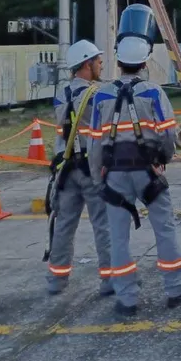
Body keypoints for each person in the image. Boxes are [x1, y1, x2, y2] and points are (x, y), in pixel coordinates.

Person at [89, 4, 181, 316]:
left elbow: (95, 142)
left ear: (118, 58)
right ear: (146, 57)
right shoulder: (154, 94)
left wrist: (98, 179)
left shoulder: (101, 96)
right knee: (165, 229)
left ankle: (127, 299)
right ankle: (175, 290)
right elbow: (168, 136)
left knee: (118, 238)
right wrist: (164, 161)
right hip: (149, 172)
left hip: (115, 175)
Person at [44, 39, 112, 296]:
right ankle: (109, 280)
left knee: (64, 225)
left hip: (65, 169)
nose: (101, 64)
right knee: (103, 224)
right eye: (97, 61)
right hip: (90, 168)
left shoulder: (62, 94)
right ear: (87, 64)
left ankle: (56, 281)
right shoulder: (96, 95)